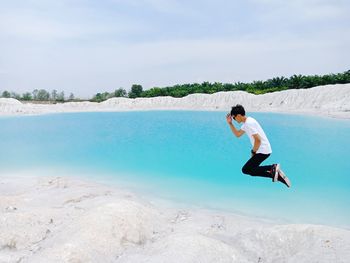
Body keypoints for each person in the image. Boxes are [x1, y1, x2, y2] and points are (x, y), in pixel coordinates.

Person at [226, 104, 291, 187]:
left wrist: (253, 152)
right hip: (264, 150)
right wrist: (230, 124)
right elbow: (238, 134)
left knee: (246, 169)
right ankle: (273, 172)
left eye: (234, 118)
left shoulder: (249, 123)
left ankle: (272, 168)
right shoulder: (247, 122)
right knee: (250, 170)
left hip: (262, 151)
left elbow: (258, 140)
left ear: (238, 115)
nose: (234, 119)